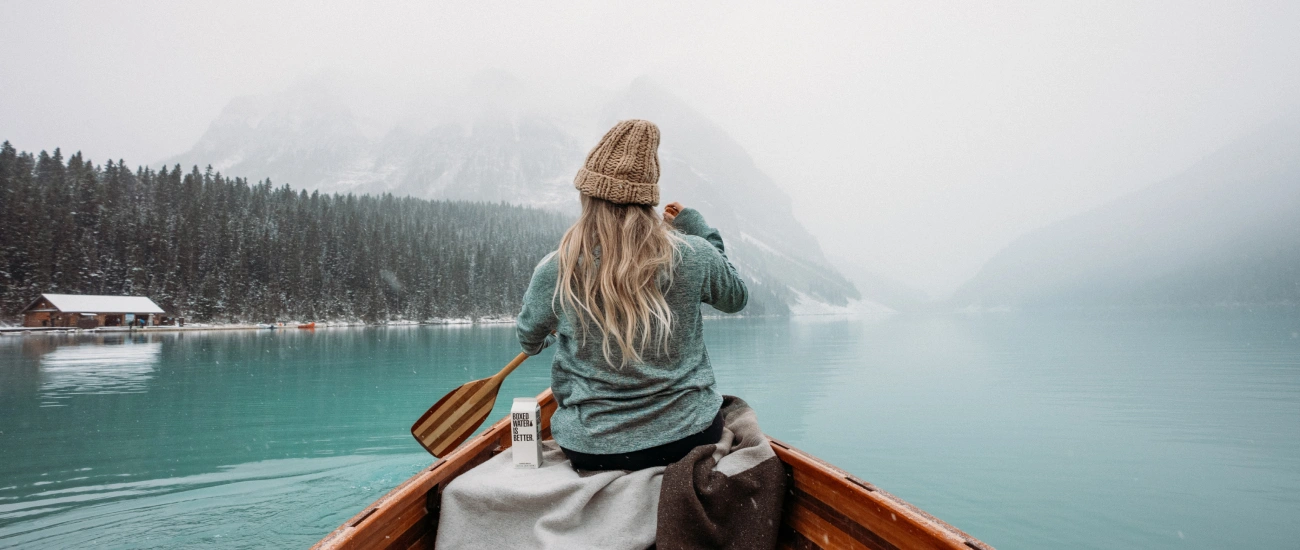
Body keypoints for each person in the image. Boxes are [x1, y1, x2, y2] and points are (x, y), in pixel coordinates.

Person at [516, 119, 748, 471]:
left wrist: (550, 335)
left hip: (592, 447)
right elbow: (735, 298)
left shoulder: (556, 269)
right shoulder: (694, 254)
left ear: (588, 196)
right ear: (646, 201)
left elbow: (528, 340)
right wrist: (700, 232)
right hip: (688, 437)